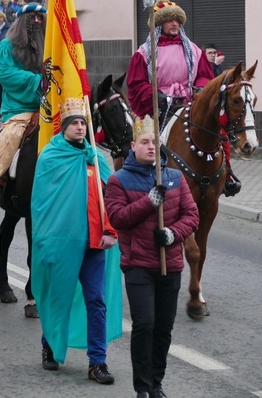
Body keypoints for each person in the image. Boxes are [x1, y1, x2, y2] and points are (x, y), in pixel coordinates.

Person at [105, 115, 199, 398]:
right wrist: (149, 202)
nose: (150, 146)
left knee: (163, 328)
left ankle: (156, 383)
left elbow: (191, 215)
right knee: (144, 324)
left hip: (170, 264)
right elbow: (118, 217)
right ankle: (143, 388)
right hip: (138, 265)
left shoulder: (174, 177)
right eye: (144, 142)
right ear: (133, 145)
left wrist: (173, 234)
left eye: (154, 142)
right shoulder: (118, 180)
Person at [31, 97, 122, 385]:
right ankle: (50, 344)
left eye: (83, 122)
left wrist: (111, 229)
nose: (81, 127)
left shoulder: (96, 157)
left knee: (96, 300)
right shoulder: (50, 157)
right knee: (58, 296)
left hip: (94, 244)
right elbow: (42, 205)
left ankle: (98, 361)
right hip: (61, 244)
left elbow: (112, 197)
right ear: (64, 127)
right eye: (75, 123)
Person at [126, 0, 240, 196]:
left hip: (190, 102)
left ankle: (227, 174)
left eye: (177, 20)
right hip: (159, 105)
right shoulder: (144, 53)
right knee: (147, 140)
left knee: (218, 134)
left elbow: (205, 75)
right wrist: (156, 96)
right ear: (160, 23)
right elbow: (136, 83)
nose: (174, 24)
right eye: (169, 20)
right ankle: (143, 181)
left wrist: (199, 89)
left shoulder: (194, 50)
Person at [0, 4, 45, 205]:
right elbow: (5, 73)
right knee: (12, 135)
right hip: (19, 105)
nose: (36, 21)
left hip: (49, 103)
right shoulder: (6, 47)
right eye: (32, 17)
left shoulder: (49, 46)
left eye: (40, 17)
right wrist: (38, 81)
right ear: (21, 22)